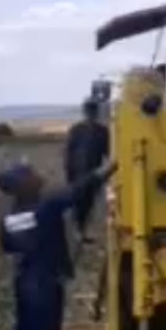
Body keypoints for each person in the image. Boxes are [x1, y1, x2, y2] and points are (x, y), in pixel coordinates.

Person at [0, 160, 117, 330]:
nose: (38, 176)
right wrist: (107, 169)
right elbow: (76, 191)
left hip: (23, 280)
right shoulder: (45, 207)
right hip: (44, 284)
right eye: (31, 175)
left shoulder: (9, 219)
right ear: (23, 186)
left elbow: (7, 246)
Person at [64, 98, 110, 242]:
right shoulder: (75, 129)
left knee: (89, 202)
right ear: (84, 112)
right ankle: (78, 231)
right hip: (77, 173)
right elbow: (68, 153)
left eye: (92, 111)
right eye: (88, 111)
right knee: (79, 202)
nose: (90, 113)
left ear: (96, 112)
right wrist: (68, 173)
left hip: (94, 173)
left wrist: (107, 172)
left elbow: (108, 152)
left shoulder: (103, 131)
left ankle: (82, 231)